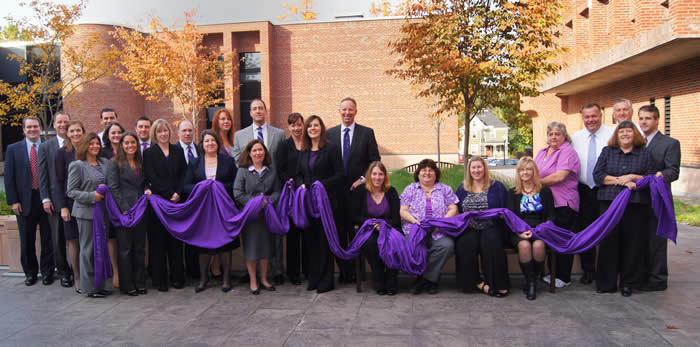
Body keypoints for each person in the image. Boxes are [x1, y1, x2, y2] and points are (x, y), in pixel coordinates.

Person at [593, 120, 654, 297]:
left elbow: (650, 177)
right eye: (622, 132)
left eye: (629, 131)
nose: (625, 134)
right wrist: (620, 180)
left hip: (635, 204)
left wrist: (634, 178)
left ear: (635, 134)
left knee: (632, 243)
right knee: (608, 242)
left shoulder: (645, 153)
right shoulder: (607, 152)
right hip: (609, 202)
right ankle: (606, 283)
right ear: (616, 135)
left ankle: (628, 283)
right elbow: (598, 175)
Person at [231, 99, 286, 285]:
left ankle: (275, 271)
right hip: (251, 203)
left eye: (261, 108)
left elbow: (281, 161)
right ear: (250, 112)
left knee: (273, 240)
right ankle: (252, 276)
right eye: (254, 108)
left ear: (265, 110)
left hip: (271, 194)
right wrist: (253, 202)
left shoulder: (279, 134)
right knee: (252, 241)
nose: (258, 111)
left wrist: (269, 200)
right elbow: (238, 171)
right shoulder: (239, 135)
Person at [327, 97, 381, 284]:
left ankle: (359, 273)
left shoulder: (366, 133)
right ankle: (345, 272)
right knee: (339, 234)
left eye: (351, 110)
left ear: (356, 111)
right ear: (339, 111)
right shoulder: (330, 134)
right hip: (335, 195)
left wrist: (362, 180)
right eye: (344, 110)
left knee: (357, 233)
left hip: (358, 193)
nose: (347, 113)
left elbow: (375, 161)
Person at [185, 130, 238, 293]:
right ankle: (203, 279)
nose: (210, 144)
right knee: (204, 243)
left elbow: (234, 184)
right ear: (202, 144)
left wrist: (218, 186)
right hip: (203, 209)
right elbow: (186, 186)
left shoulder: (228, 161)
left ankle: (226, 279)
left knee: (225, 242)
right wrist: (203, 187)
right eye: (207, 141)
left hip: (222, 208)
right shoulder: (194, 162)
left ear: (218, 143)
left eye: (213, 141)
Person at [295, 115, 344, 293]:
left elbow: (340, 175)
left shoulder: (331, 149)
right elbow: (299, 172)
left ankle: (326, 281)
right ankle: (314, 279)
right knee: (311, 241)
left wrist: (322, 185)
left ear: (321, 128)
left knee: (324, 241)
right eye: (310, 126)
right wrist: (301, 184)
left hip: (326, 202)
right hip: (308, 202)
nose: (312, 128)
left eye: (316, 125)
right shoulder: (303, 150)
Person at [4, 116, 54, 286]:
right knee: (27, 238)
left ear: (41, 128)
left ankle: (48, 272)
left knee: (48, 238)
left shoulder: (49, 146)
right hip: (25, 201)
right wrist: (13, 201)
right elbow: (9, 177)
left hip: (46, 198)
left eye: (36, 126)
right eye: (29, 127)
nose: (33, 129)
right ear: (24, 130)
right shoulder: (13, 149)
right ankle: (30, 273)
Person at [638, 105, 681, 292]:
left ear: (657, 120)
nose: (643, 122)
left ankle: (658, 280)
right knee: (640, 240)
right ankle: (642, 276)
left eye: (647, 118)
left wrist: (661, 175)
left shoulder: (670, 143)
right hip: (638, 198)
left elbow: (674, 170)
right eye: (641, 118)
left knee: (656, 240)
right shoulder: (636, 142)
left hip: (658, 199)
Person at [400, 159, 458, 295]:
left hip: (439, 230)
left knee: (446, 246)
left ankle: (423, 279)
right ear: (418, 173)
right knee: (412, 246)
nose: (427, 173)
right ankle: (433, 280)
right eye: (423, 170)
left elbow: (453, 208)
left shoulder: (444, 189)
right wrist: (415, 221)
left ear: (435, 173)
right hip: (414, 229)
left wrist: (442, 222)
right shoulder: (410, 189)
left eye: (430, 170)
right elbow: (403, 210)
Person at [571, 103, 614, 284]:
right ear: (582, 118)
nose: (590, 120)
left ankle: (607, 273)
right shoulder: (575, 138)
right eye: (586, 117)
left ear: (601, 115)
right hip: (582, 190)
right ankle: (588, 271)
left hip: (606, 189)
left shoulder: (612, 135)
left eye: (593, 116)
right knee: (585, 231)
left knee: (607, 231)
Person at [143, 119, 188, 291]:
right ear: (155, 134)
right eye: (160, 131)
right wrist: (169, 193)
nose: (163, 134)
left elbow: (184, 173)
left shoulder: (177, 150)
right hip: (159, 204)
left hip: (176, 203)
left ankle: (177, 278)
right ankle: (160, 280)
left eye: (166, 131)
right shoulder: (149, 153)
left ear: (170, 132)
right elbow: (151, 177)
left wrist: (178, 192)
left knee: (175, 241)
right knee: (158, 242)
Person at [534, 121, 580, 288]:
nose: (553, 137)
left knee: (563, 239)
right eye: (551, 134)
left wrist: (535, 183)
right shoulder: (542, 152)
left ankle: (563, 277)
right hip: (546, 203)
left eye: (557, 134)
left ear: (564, 136)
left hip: (563, 203)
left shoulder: (568, 152)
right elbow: (532, 171)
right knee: (548, 239)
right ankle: (550, 273)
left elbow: (559, 176)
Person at [454, 156, 509, 297]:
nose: (476, 170)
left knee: (492, 243)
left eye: (479, 167)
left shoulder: (497, 186)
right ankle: (477, 283)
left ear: (484, 168)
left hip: (491, 225)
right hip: (469, 226)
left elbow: (506, 209)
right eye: (473, 167)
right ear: (469, 170)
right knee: (464, 244)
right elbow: (457, 210)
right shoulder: (462, 188)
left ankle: (498, 285)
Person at [106, 132, 151, 296]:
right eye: (127, 143)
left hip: (141, 210)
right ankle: (127, 284)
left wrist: (147, 188)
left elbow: (145, 181)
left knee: (140, 248)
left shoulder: (141, 162)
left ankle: (140, 282)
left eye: (133, 142)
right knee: (125, 249)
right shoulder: (114, 163)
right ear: (122, 145)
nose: (130, 145)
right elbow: (113, 187)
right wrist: (124, 208)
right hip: (124, 212)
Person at [234, 139, 282, 295]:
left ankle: (264, 279)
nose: (258, 153)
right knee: (252, 248)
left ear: (265, 152)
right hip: (250, 217)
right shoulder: (242, 171)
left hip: (267, 215)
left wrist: (267, 201)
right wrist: (255, 203)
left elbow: (277, 192)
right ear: (249, 153)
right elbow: (237, 193)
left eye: (260, 150)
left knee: (266, 247)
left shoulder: (271, 171)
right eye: (254, 150)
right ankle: (253, 280)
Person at [66, 133, 111, 298]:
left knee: (101, 249)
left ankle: (100, 285)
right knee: (88, 249)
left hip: (103, 213)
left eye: (97, 143)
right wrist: (92, 196)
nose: (95, 146)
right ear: (85, 145)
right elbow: (71, 191)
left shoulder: (104, 163)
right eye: (91, 143)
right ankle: (89, 287)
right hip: (86, 213)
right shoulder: (77, 165)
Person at [506, 157, 555, 300]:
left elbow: (551, 216)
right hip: (519, 230)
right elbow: (510, 218)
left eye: (528, 169)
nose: (525, 172)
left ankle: (533, 281)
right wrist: (519, 232)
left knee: (539, 245)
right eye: (522, 169)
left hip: (540, 229)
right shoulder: (513, 192)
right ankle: (531, 283)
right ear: (518, 172)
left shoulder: (545, 191)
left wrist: (542, 228)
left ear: (534, 171)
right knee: (525, 246)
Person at [351, 161, 400, 296]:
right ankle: (378, 278)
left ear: (385, 176)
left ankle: (391, 279)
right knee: (372, 244)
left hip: (389, 228)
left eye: (380, 174)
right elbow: (354, 216)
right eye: (374, 174)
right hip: (369, 230)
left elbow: (396, 218)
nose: (377, 177)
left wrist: (383, 224)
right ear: (369, 175)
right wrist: (371, 223)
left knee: (392, 243)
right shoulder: (361, 192)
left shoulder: (391, 192)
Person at [38, 111, 72, 288]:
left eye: (66, 122)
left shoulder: (77, 143)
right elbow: (42, 174)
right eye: (59, 122)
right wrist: (45, 198)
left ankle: (78, 269)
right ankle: (64, 272)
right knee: (58, 239)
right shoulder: (46, 147)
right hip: (55, 199)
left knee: (76, 237)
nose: (63, 125)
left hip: (75, 200)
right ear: (54, 124)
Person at [274, 112, 306, 285]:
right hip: (291, 194)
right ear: (288, 127)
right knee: (293, 236)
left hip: (306, 194)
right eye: (293, 125)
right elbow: (280, 169)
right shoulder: (284, 146)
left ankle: (308, 270)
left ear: (303, 125)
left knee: (307, 234)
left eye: (299, 124)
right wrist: (289, 180)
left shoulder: (309, 143)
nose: (296, 128)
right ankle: (293, 273)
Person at [55, 120, 86, 292]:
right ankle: (78, 276)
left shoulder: (87, 151)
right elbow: (58, 182)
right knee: (73, 240)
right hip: (70, 204)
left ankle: (89, 274)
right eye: (72, 131)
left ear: (83, 132)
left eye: (78, 131)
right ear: (67, 133)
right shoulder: (61, 154)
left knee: (87, 240)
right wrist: (63, 207)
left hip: (87, 203)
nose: (75, 134)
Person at [99, 121, 124, 288]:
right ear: (107, 136)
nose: (116, 135)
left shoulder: (129, 148)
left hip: (127, 200)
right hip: (109, 202)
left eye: (119, 132)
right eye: (112, 133)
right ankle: (115, 271)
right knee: (112, 237)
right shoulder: (102, 153)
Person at [177, 120, 201, 280]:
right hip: (179, 200)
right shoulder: (173, 151)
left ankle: (194, 271)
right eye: (184, 131)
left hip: (198, 201)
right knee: (179, 238)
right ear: (178, 132)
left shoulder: (200, 149)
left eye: (190, 131)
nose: (187, 133)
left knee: (196, 237)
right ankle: (179, 273)